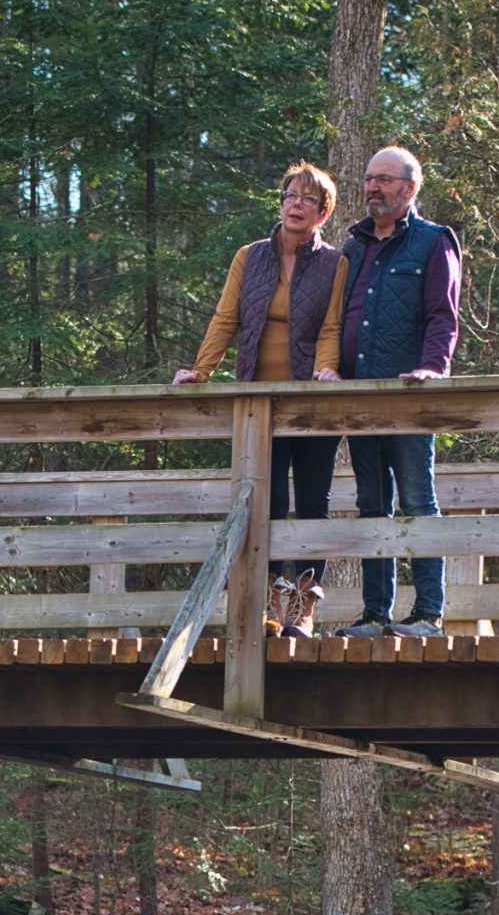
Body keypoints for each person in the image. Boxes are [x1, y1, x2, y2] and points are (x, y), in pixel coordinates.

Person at [175, 161, 351, 637]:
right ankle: (274, 598)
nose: (296, 205)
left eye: (308, 200)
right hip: (258, 401)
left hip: (312, 400)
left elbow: (332, 325)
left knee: (314, 499)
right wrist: (202, 369)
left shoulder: (335, 263)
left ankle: (306, 604)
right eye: (290, 196)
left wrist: (327, 369)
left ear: (323, 212)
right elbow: (226, 317)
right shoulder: (249, 257)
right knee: (267, 499)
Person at [318, 145, 461, 639]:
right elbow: (339, 318)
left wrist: (432, 368)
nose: (372, 187)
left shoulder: (433, 240)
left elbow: (444, 317)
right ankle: (375, 613)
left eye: (383, 180)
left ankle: (427, 614)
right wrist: (331, 368)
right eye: (368, 178)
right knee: (371, 502)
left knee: (418, 500)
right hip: (359, 397)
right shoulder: (354, 247)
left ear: (410, 188)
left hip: (408, 397)